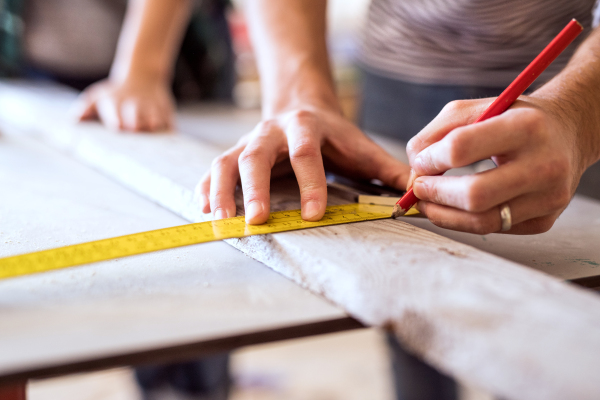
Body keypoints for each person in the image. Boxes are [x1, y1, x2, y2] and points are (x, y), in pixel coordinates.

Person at [198, 1, 600, 399]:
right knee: (408, 316)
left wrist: (577, 112)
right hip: (400, 69)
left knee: (558, 343)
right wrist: (297, 94)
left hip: (572, 75)